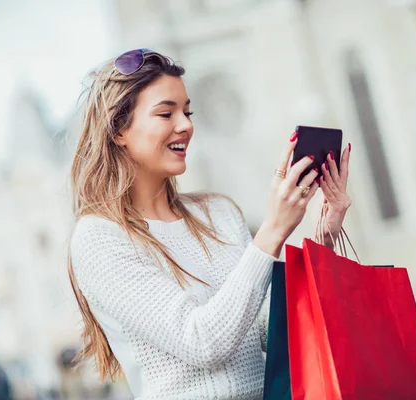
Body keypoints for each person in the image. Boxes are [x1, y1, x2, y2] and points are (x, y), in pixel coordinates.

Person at [67, 49, 352, 399]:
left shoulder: (218, 212)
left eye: (187, 111)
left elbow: (269, 329)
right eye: (165, 113)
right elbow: (202, 342)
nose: (186, 125)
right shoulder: (99, 238)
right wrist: (272, 231)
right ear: (118, 130)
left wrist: (321, 237)